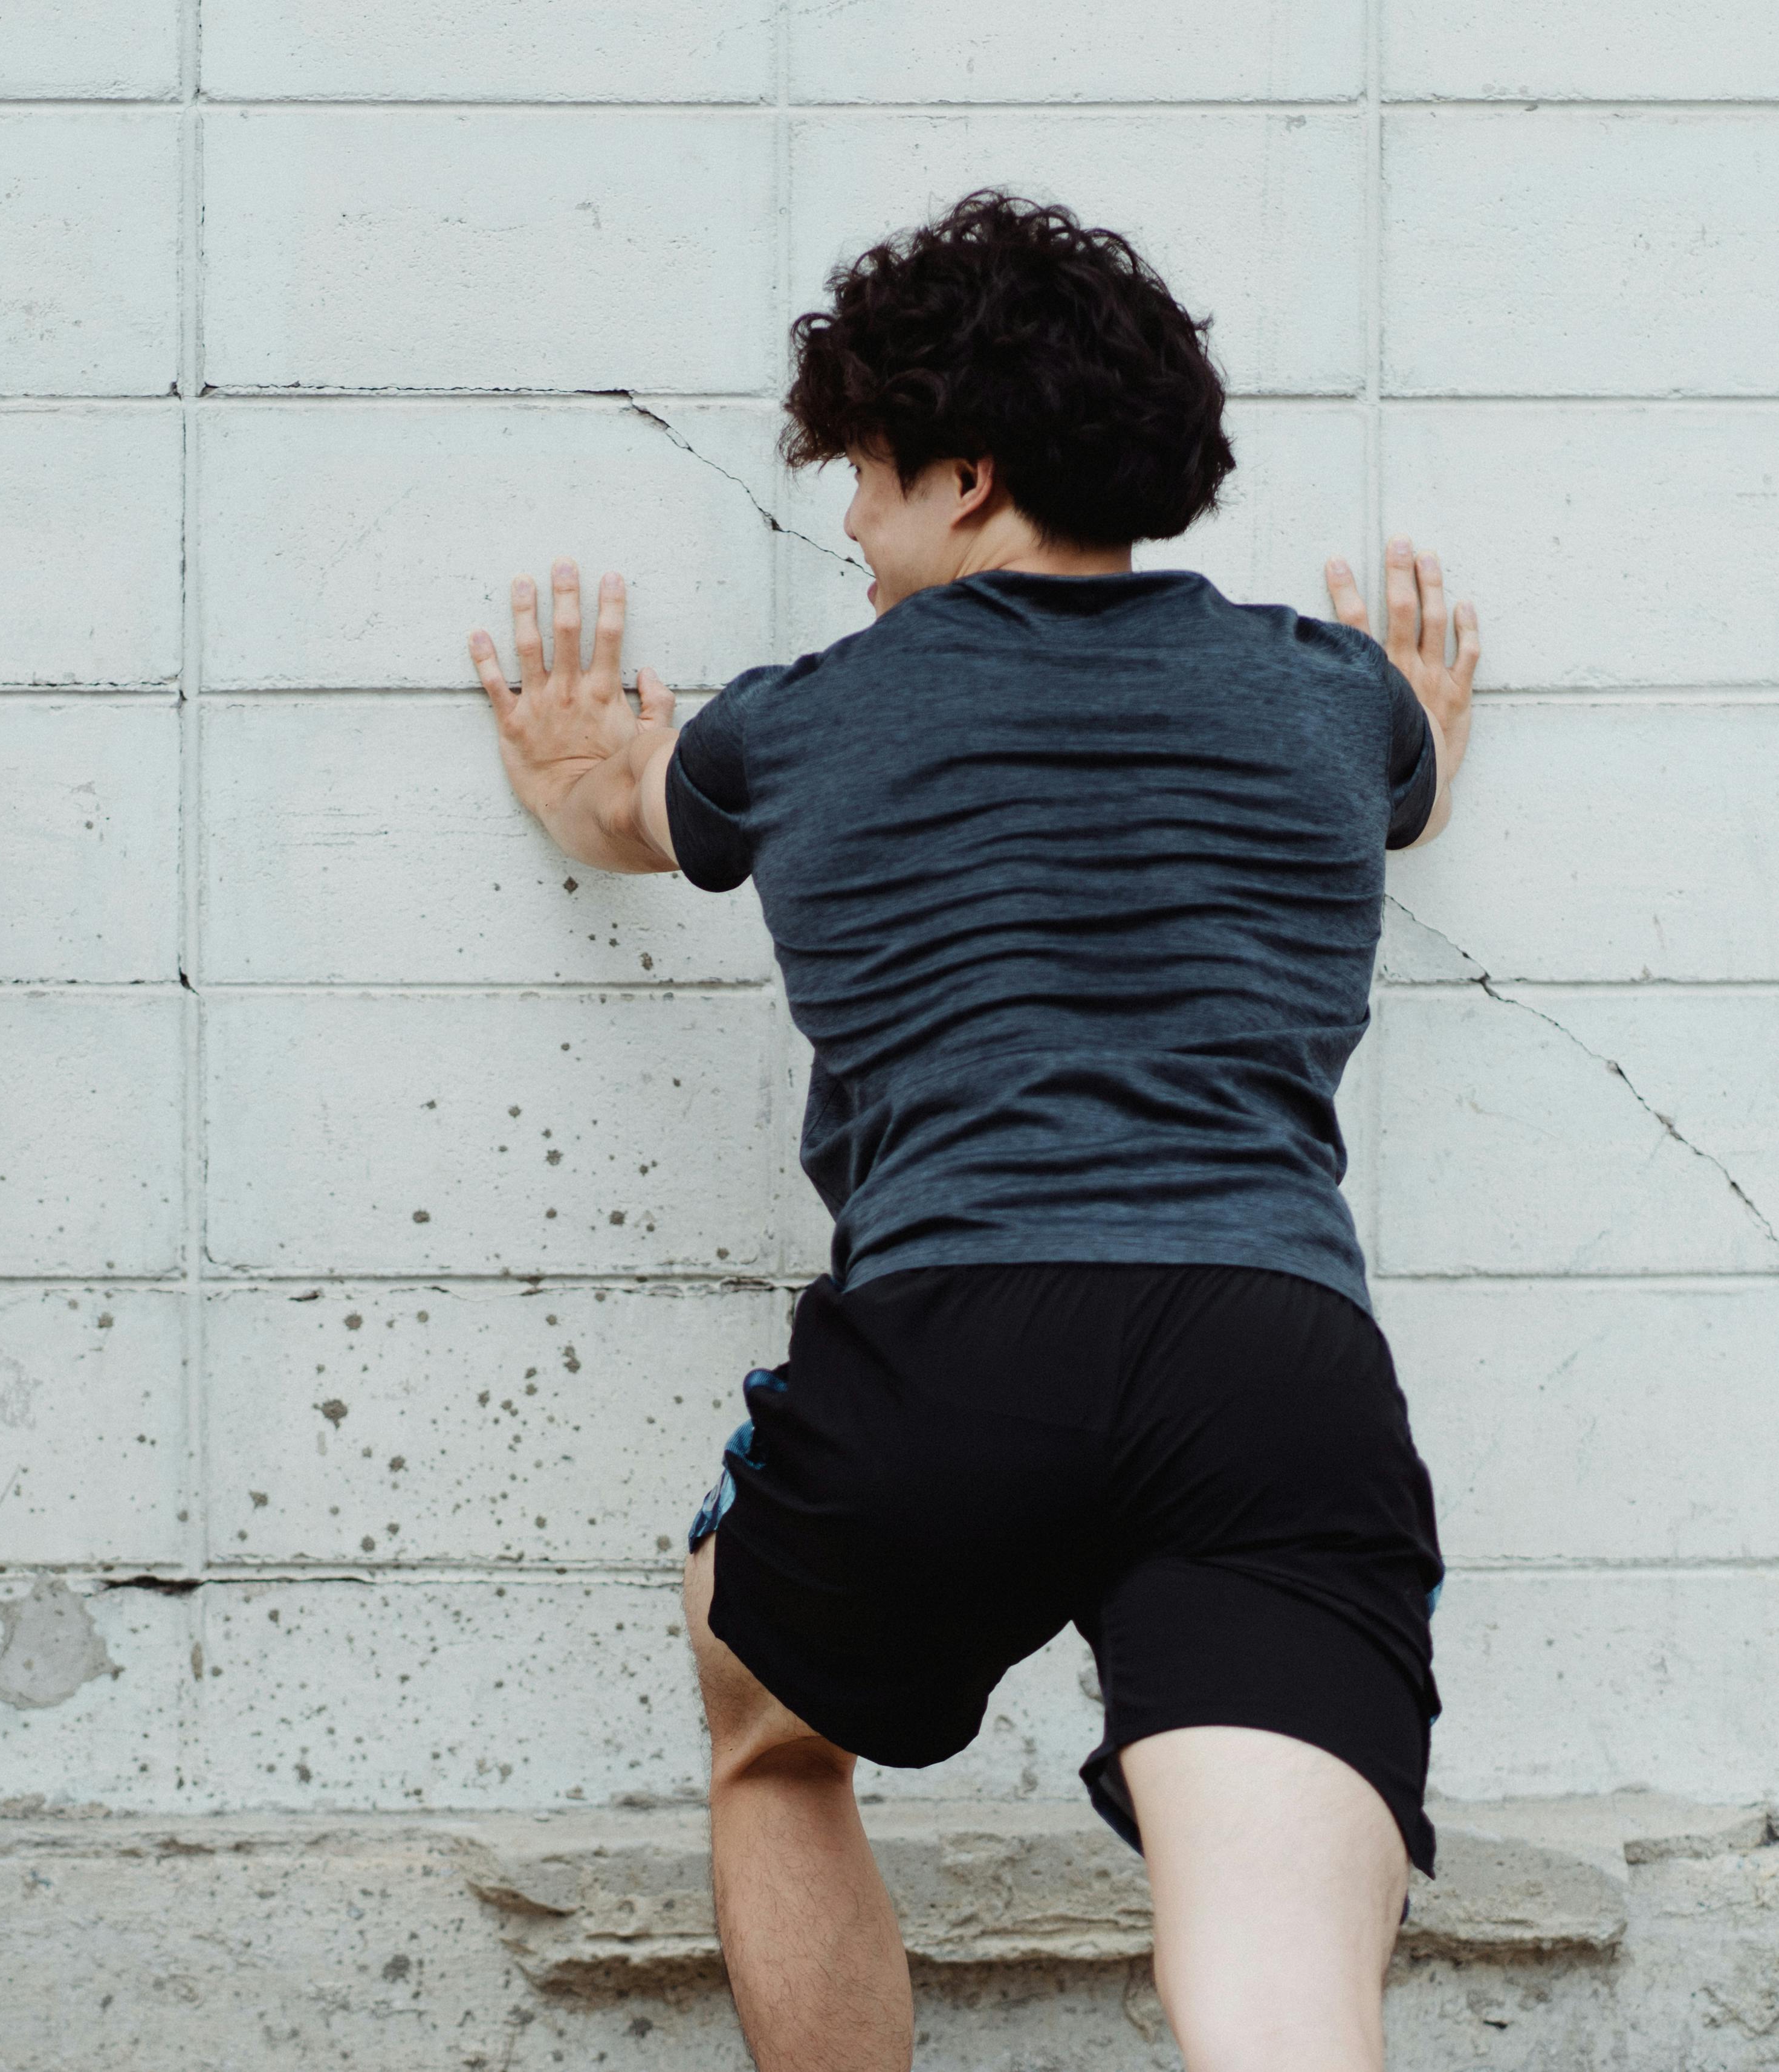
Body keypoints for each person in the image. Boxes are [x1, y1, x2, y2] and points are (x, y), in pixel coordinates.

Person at [468, 192, 1479, 2072]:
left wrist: (568, 774)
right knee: (1276, 1988)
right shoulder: (1329, 701)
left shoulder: (792, 729)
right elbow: (1408, 768)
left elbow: (630, 816)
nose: (846, 521)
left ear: (969, 475)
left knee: (769, 1731)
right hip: (1273, 1364)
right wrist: (1410, 707)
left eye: (862, 470)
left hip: (952, 1345)